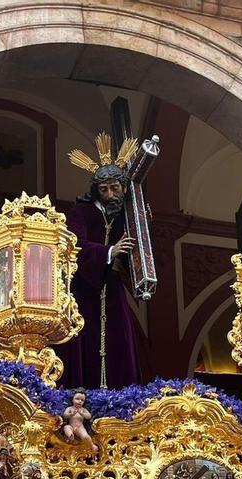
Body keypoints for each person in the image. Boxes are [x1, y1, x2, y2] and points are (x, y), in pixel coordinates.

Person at [60, 133, 143, 389]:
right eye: (104, 189)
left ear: (123, 188)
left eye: (115, 188)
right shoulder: (81, 212)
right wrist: (109, 250)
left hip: (113, 286)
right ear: (96, 189)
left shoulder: (127, 214)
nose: (109, 194)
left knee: (119, 338)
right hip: (86, 287)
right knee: (85, 338)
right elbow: (74, 244)